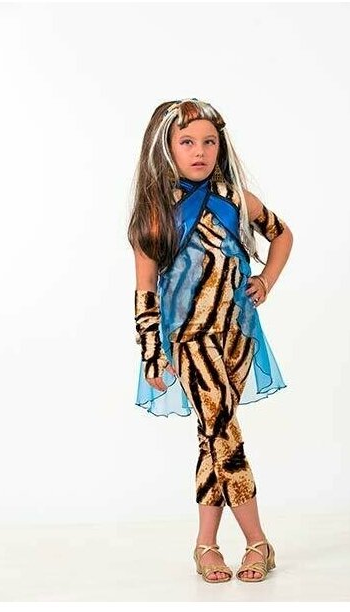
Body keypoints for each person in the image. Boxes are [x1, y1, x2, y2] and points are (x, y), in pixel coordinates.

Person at [127, 98, 293, 583]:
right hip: (190, 338)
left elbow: (282, 236)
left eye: (209, 142)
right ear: (167, 148)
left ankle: (205, 545)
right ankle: (259, 540)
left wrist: (266, 280)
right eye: (187, 142)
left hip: (239, 333)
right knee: (224, 433)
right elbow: (145, 291)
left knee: (212, 437)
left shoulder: (237, 199)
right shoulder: (155, 215)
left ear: (220, 147)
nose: (199, 151)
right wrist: (152, 352)